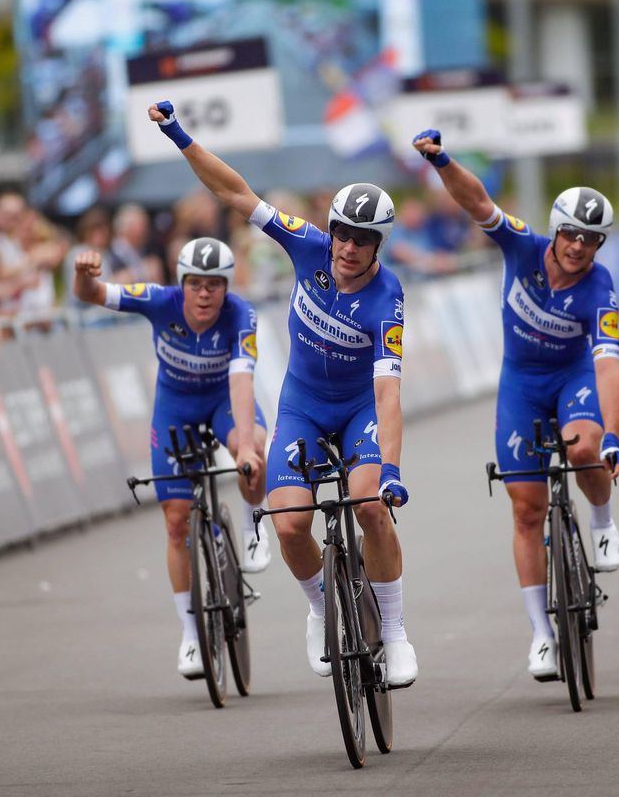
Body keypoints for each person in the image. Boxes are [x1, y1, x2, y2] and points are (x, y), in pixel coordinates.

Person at [148, 99, 418, 686]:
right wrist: (178, 135)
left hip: (358, 410)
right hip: (301, 405)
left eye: (362, 241)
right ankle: (321, 607)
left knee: (370, 504)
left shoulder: (386, 298)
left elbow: (389, 394)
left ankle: (393, 631)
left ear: (379, 246)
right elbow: (237, 194)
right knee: (290, 524)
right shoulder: (308, 245)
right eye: (343, 234)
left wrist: (391, 468)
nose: (347, 248)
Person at [413, 128, 619, 681]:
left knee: (584, 448)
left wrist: (614, 439)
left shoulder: (599, 288)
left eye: (591, 238)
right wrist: (442, 163)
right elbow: (478, 201)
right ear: (555, 229)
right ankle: (541, 632)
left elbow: (607, 366)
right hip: (520, 385)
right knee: (526, 508)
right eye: (571, 233)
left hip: (571, 378)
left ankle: (602, 519)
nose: (579, 245)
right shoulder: (522, 246)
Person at [72, 237, 272, 679]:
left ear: (227, 286)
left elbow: (242, 383)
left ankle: (252, 523)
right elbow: (92, 296)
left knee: (254, 442)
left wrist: (241, 449)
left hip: (224, 400)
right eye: (195, 285)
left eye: (214, 286)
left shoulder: (241, 314)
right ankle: (189, 634)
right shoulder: (159, 301)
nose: (204, 294)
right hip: (175, 407)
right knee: (176, 520)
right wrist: (83, 276)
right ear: (182, 284)